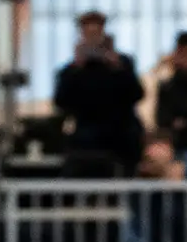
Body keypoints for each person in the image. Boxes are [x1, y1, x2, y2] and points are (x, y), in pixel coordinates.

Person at [53, 10, 144, 173]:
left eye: (96, 33)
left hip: (120, 131)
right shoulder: (71, 70)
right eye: (88, 34)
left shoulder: (122, 63)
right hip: (87, 133)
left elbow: (137, 94)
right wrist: (77, 68)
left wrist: (117, 67)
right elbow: (61, 102)